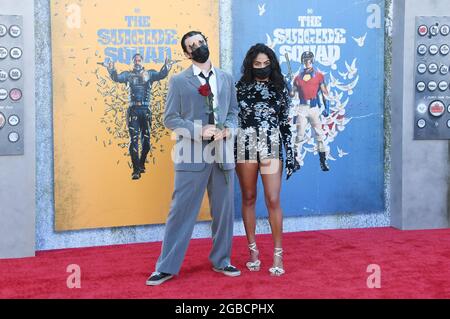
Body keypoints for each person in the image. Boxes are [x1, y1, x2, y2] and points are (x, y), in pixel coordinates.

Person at [146, 31, 240, 286]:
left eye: (201, 42)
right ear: (187, 53)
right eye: (192, 46)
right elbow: (170, 118)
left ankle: (222, 260)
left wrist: (229, 128)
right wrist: (199, 131)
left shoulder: (226, 78)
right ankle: (166, 266)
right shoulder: (178, 81)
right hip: (191, 154)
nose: (198, 47)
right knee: (181, 211)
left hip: (222, 154)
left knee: (224, 211)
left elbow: (233, 112)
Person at [235, 43, 300, 276]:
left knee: (273, 199)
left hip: (271, 143)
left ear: (271, 64)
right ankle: (252, 251)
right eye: (257, 64)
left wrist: (291, 155)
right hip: (245, 142)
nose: (262, 67)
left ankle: (278, 253)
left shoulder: (280, 88)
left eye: (265, 63)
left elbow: (285, 124)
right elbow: (233, 119)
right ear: (250, 66)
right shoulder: (239, 88)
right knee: (249, 197)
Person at [106, 53, 172, 180]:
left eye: (139, 60)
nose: (137, 62)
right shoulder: (127, 74)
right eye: (135, 60)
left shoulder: (150, 74)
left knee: (146, 141)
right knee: (134, 140)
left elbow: (161, 75)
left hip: (145, 110)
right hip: (133, 110)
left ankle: (141, 164)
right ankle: (136, 170)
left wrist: (167, 65)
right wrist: (111, 69)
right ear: (132, 62)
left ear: (142, 61)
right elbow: (116, 78)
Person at [291, 51, 330, 171]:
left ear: (312, 60)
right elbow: (292, 94)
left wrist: (327, 107)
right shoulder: (297, 78)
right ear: (302, 61)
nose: (307, 62)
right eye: (305, 60)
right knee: (299, 136)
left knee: (319, 135)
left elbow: (324, 93)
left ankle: (323, 162)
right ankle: (296, 162)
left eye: (309, 60)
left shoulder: (319, 76)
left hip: (314, 108)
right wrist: (288, 84)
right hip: (302, 108)